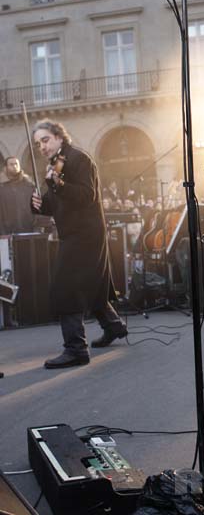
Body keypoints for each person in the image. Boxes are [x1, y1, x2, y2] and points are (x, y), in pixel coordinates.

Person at [31, 119, 128, 369]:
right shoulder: (54, 167)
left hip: (84, 235)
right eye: (38, 143)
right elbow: (53, 204)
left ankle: (76, 349)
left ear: (59, 137)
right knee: (92, 284)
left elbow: (87, 196)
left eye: (45, 140)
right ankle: (114, 326)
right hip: (74, 234)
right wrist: (38, 204)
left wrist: (59, 185)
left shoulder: (79, 159)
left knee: (65, 288)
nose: (41, 146)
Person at [0, 157, 36, 234]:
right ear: (6, 167)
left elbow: (36, 206)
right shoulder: (1, 186)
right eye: (11, 164)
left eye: (16, 164)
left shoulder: (28, 184)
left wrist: (37, 226)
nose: (15, 166)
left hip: (28, 230)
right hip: (6, 232)